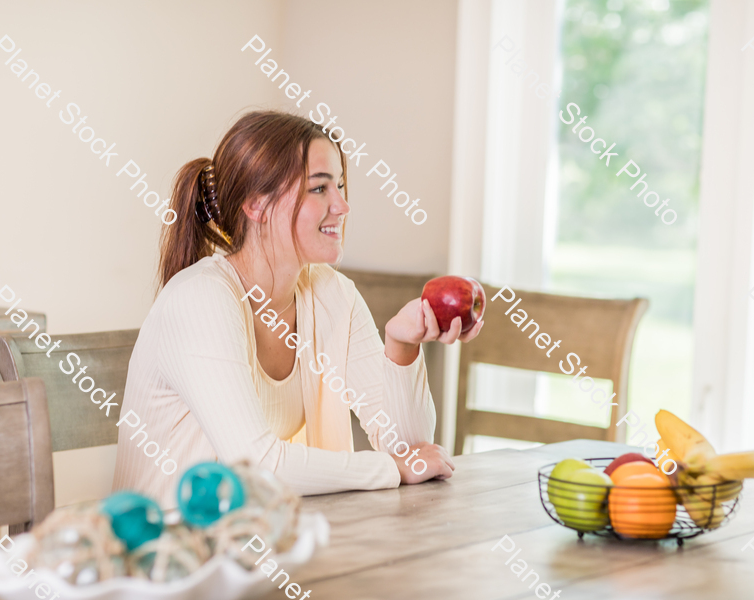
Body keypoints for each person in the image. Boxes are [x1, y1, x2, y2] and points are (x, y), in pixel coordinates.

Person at [112, 111, 482, 508]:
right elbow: (254, 465)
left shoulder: (331, 293)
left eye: (339, 186)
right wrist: (388, 469)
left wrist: (402, 348)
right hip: (167, 553)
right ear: (256, 203)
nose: (342, 206)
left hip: (258, 542)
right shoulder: (200, 298)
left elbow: (412, 452)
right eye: (319, 189)